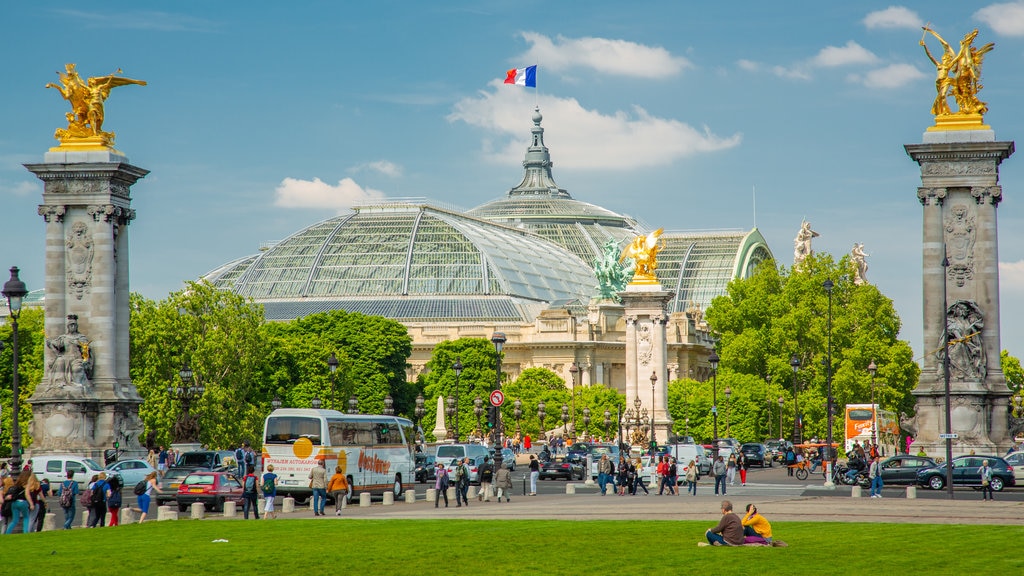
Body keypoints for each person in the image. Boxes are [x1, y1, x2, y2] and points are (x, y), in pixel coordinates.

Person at [3, 469, 35, 534]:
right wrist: (31, 504)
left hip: (14, 502)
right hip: (23, 502)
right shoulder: (26, 484)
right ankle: (25, 532)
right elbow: (27, 494)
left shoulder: (17, 483)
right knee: (26, 517)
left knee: (15, 520)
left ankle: (7, 533)